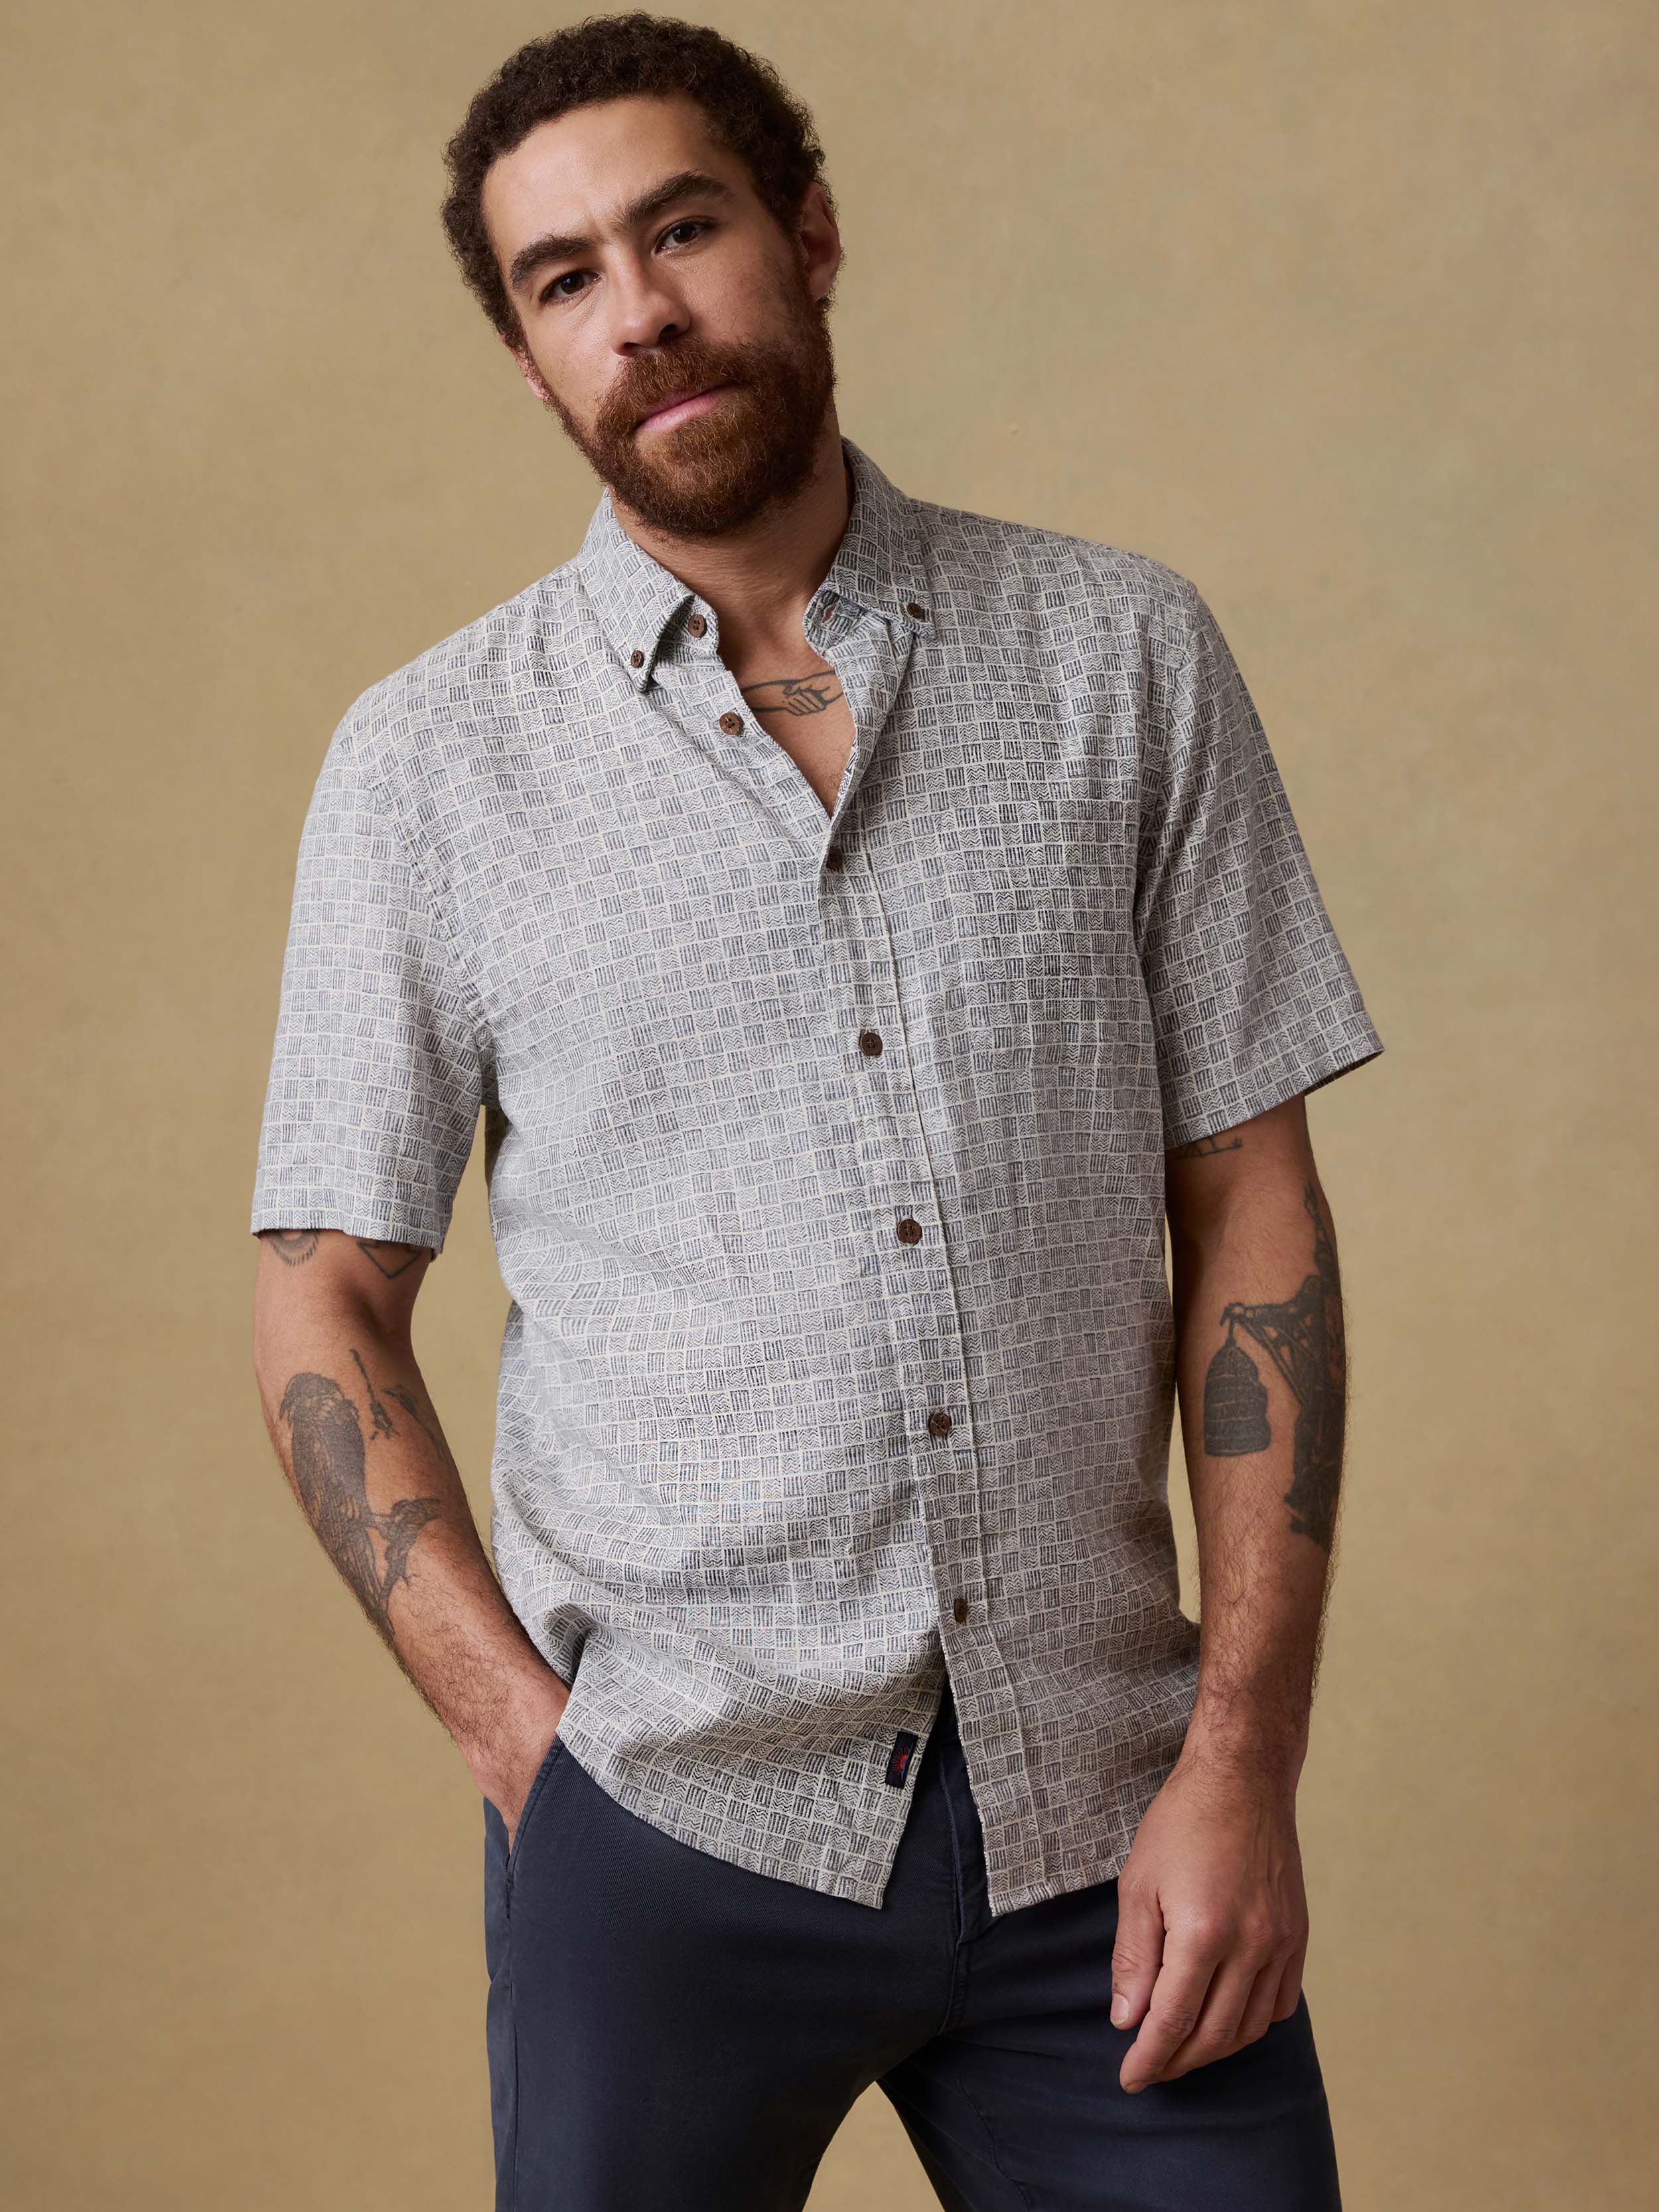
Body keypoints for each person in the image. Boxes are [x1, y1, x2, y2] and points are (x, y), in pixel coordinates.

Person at [249, 15, 1384, 2209]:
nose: (639, 308)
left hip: (1118, 1835)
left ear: (809, 235)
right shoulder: (427, 771)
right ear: (527, 354)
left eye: (681, 227)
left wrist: (1241, 1760)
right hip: (665, 1825)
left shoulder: (1116, 656)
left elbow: (1255, 1212)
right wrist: (533, 1765)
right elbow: (320, 1310)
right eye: (563, 277)